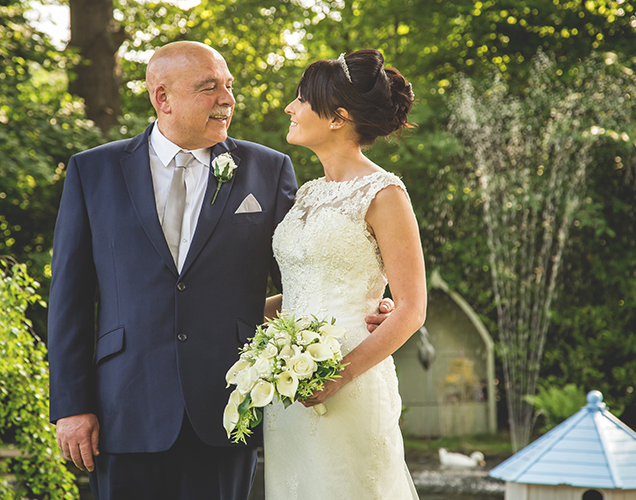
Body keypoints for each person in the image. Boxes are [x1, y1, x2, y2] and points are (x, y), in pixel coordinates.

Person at [47, 41, 391, 500]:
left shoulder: (269, 169)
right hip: (123, 408)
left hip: (230, 406)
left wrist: (370, 302)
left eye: (228, 86)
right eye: (209, 88)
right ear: (162, 98)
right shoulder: (93, 171)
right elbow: (69, 298)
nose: (226, 99)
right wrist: (71, 406)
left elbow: (305, 275)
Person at [262, 49, 426, 499]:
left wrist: (337, 375)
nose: (289, 108)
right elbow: (304, 287)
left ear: (338, 117)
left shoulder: (385, 193)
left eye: (300, 99)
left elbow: (411, 310)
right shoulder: (309, 193)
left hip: (349, 382)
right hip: (290, 387)